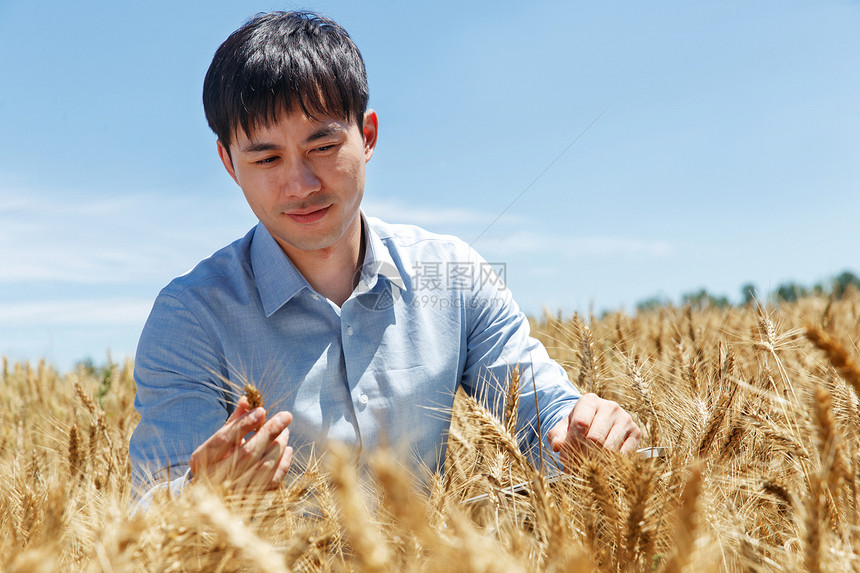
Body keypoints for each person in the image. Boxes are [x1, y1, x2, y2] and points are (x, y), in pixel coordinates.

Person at [129, 10, 639, 495]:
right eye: (266, 157)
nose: (300, 184)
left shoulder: (454, 275)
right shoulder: (189, 318)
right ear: (228, 162)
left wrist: (587, 436)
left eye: (323, 147)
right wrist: (202, 497)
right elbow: (153, 505)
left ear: (367, 135)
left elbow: (543, 418)